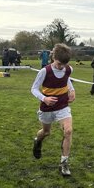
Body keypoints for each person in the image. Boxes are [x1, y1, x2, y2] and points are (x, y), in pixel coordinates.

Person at [30, 43, 75, 176]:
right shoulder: (45, 71)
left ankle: (64, 163)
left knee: (68, 131)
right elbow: (33, 89)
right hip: (47, 107)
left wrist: (72, 90)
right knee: (46, 132)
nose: (61, 67)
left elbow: (67, 79)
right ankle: (38, 141)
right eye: (59, 64)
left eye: (64, 65)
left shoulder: (68, 69)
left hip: (62, 105)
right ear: (53, 58)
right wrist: (44, 98)